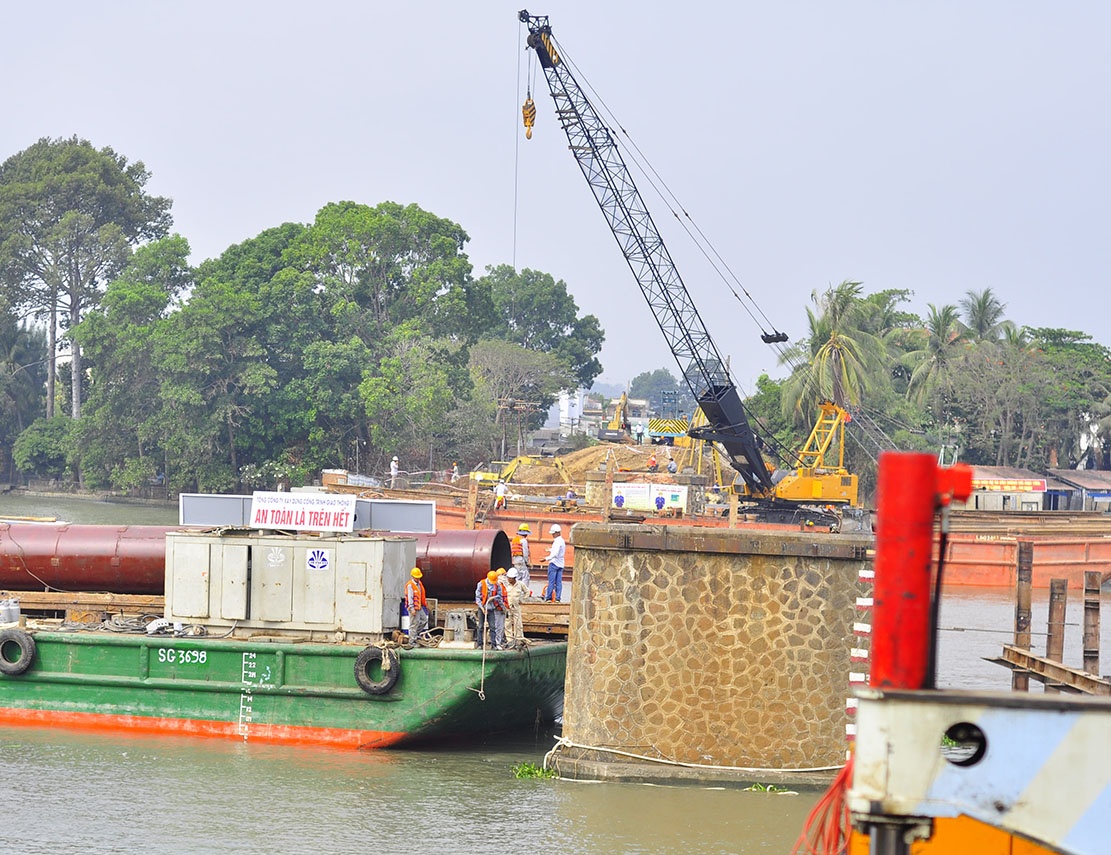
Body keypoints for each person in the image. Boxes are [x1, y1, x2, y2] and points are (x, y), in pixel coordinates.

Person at [474, 569, 507, 649]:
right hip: (482, 608)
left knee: (493, 627)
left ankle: (493, 644)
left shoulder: (497, 585)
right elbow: (477, 598)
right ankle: (480, 644)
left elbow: (499, 596)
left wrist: (495, 599)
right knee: (481, 626)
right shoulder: (481, 584)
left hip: (491, 608)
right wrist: (482, 608)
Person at [404, 567, 429, 644]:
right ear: (413, 576)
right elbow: (410, 597)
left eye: (419, 577)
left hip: (419, 607)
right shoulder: (410, 585)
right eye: (416, 577)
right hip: (413, 607)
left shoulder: (419, 584)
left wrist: (425, 605)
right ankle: (411, 641)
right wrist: (412, 608)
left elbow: (421, 595)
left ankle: (415, 635)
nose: (418, 578)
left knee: (424, 620)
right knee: (414, 624)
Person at [504, 568, 527, 648]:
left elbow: (527, 592)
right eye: (508, 578)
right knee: (507, 624)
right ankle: (509, 640)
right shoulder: (505, 585)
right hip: (507, 607)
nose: (509, 579)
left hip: (516, 607)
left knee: (518, 623)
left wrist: (522, 599)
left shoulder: (520, 584)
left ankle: (519, 638)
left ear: (514, 578)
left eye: (510, 578)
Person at [543, 524, 566, 602]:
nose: (552, 535)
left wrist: (546, 559)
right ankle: (558, 598)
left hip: (554, 564)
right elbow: (558, 552)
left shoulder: (557, 541)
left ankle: (549, 598)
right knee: (559, 582)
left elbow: (555, 554)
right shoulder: (562, 541)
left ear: (557, 532)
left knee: (551, 582)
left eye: (553, 533)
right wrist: (550, 550)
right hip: (561, 564)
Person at [510, 523, 532, 593]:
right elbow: (525, 553)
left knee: (518, 576)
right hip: (521, 560)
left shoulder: (514, 540)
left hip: (515, 560)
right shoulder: (524, 541)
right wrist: (527, 562)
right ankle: (524, 592)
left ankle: (516, 591)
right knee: (525, 576)